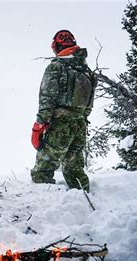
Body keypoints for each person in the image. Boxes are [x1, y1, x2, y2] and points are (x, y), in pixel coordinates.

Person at [30, 30, 96, 192]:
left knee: (43, 170)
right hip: (80, 125)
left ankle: (44, 210)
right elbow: (89, 105)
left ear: (56, 47)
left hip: (60, 126)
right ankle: (86, 205)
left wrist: (39, 125)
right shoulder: (87, 72)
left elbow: (47, 98)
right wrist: (78, 118)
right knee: (74, 169)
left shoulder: (56, 67)